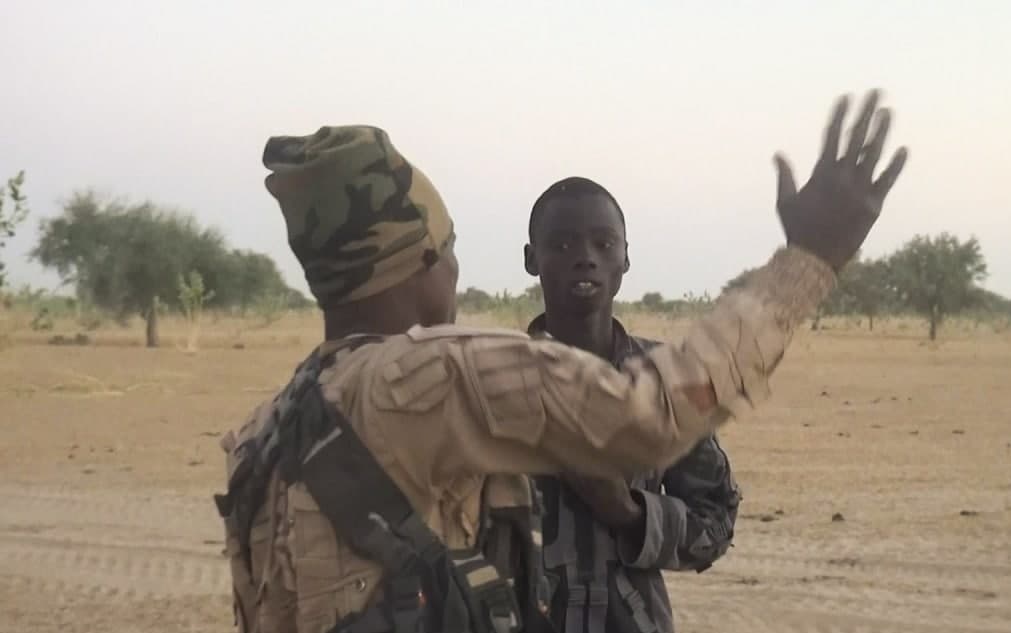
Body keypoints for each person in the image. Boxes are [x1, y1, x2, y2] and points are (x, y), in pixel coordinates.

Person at [214, 89, 908, 633]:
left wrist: (634, 518)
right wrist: (809, 262)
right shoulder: (443, 376)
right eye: (449, 251)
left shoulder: (268, 430)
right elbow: (651, 416)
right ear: (422, 262)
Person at [522, 176, 740, 633]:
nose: (585, 257)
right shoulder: (494, 381)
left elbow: (716, 523)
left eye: (603, 244)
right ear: (531, 259)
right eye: (562, 244)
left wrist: (629, 513)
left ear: (625, 258)